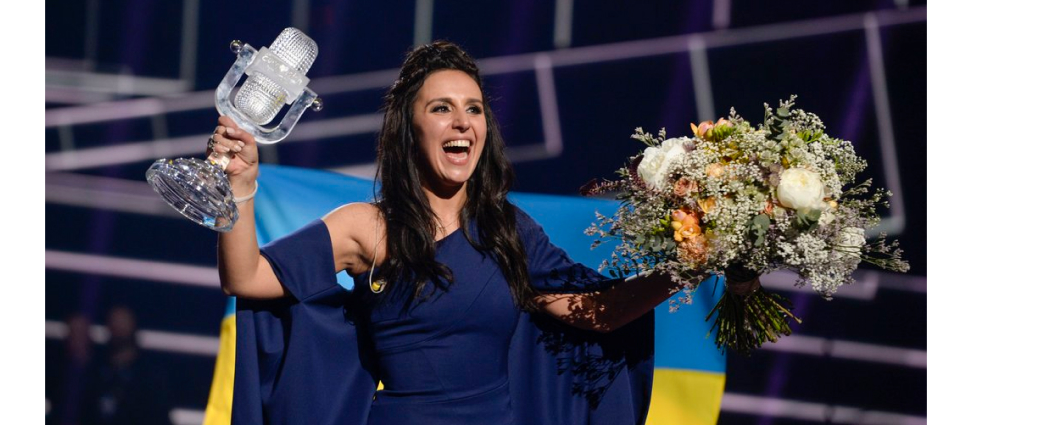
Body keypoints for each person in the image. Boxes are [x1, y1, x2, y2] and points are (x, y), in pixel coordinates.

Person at [210, 41, 696, 424]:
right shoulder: (366, 227)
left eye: (474, 109)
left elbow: (601, 314)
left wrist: (694, 261)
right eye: (441, 108)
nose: (462, 121)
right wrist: (241, 187)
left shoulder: (508, 231)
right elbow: (246, 277)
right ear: (410, 129)